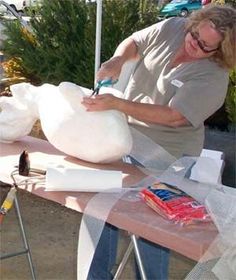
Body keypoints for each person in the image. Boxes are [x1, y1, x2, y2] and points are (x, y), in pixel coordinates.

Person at [82, 4, 236, 280]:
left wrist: (118, 104)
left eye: (205, 47)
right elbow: (136, 41)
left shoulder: (214, 77)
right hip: (125, 140)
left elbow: (175, 116)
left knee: (151, 230)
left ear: (221, 52)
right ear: (193, 23)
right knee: (101, 209)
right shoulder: (173, 27)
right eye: (194, 36)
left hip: (168, 156)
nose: (194, 46)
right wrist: (118, 59)